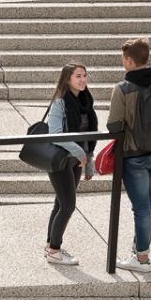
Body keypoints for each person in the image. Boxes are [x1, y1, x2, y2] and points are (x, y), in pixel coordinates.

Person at [110, 38, 151, 273]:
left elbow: (114, 126)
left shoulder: (123, 88)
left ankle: (142, 259)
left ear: (129, 59)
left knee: (141, 208)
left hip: (135, 156)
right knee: (148, 204)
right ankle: (139, 248)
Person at [42, 63, 97, 265]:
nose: (83, 80)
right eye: (78, 76)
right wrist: (79, 152)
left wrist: (87, 162)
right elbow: (55, 134)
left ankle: (50, 245)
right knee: (68, 206)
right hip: (60, 161)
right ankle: (55, 251)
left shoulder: (85, 102)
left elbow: (87, 135)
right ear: (67, 79)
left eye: (85, 75)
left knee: (60, 203)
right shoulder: (60, 103)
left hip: (75, 162)